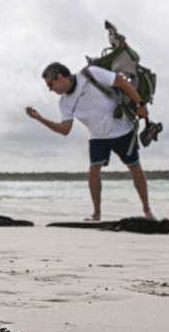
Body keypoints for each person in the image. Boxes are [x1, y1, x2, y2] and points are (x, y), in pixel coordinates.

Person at [25, 62, 154, 221]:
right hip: (97, 137)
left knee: (135, 167)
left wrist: (139, 103)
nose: (51, 89)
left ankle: (147, 210)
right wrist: (39, 118)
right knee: (94, 170)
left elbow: (120, 82)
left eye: (51, 85)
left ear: (59, 77)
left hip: (122, 130)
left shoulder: (90, 74)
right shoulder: (64, 103)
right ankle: (96, 213)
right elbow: (65, 130)